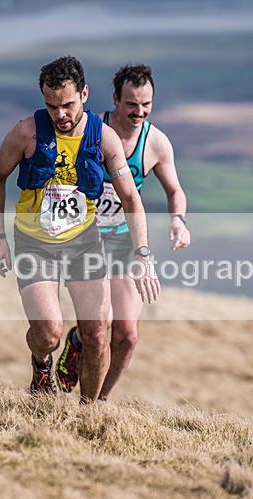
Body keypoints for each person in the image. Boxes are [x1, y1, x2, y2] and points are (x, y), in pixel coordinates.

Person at [0, 56, 160, 403]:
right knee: (49, 333)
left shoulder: (104, 138)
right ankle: (41, 365)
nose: (60, 114)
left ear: (84, 93)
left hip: (84, 242)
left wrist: (142, 254)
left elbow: (130, 198)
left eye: (67, 104)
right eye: (52, 106)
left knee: (97, 333)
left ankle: (88, 410)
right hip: (35, 243)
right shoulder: (26, 133)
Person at [55, 63, 190, 401]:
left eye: (146, 105)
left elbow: (175, 190)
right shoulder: (90, 129)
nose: (139, 112)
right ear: (116, 99)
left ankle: (99, 401)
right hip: (84, 240)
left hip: (124, 242)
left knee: (127, 335)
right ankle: (80, 347)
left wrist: (178, 220)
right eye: (131, 104)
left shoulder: (156, 142)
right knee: (101, 326)